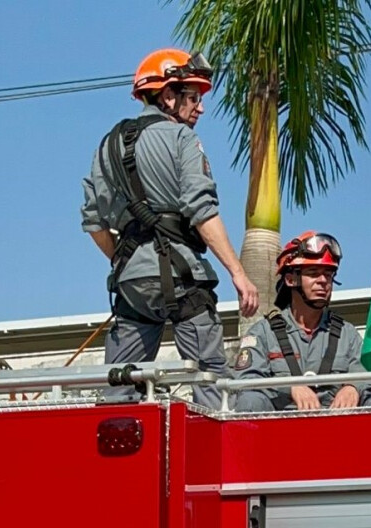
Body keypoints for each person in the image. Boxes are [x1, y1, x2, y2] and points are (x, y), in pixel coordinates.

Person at [81, 47, 258, 407]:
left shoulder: (108, 144)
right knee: (210, 380)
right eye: (192, 97)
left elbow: (94, 221)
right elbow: (202, 211)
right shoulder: (183, 139)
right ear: (167, 96)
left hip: (131, 283)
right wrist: (238, 273)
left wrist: (125, 259)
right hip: (182, 279)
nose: (200, 107)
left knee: (121, 386)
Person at [233, 231, 371, 412]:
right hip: (277, 431)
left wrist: (354, 386)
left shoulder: (347, 335)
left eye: (328, 274)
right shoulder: (263, 333)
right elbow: (244, 383)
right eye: (313, 273)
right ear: (291, 279)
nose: (323, 281)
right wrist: (290, 386)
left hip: (337, 432)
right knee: (250, 400)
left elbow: (370, 380)